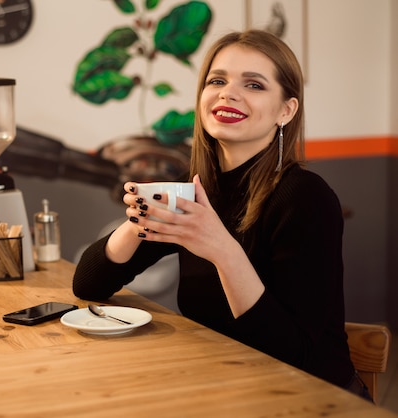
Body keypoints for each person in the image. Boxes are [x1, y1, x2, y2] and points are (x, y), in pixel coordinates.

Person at [72, 29, 372, 401]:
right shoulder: (196, 189)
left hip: (311, 400)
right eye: (217, 80)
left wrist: (222, 250)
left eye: (254, 85)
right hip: (225, 388)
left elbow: (295, 356)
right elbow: (88, 285)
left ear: (286, 110)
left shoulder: (306, 197)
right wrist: (138, 221)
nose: (229, 93)